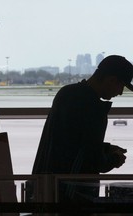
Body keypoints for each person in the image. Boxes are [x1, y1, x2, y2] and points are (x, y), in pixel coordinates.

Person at [31, 55, 133, 204]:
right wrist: (115, 159)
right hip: (73, 195)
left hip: (47, 187)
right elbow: (94, 162)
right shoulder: (94, 108)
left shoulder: (66, 93)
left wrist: (105, 148)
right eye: (121, 86)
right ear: (111, 80)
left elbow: (70, 142)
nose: (120, 93)